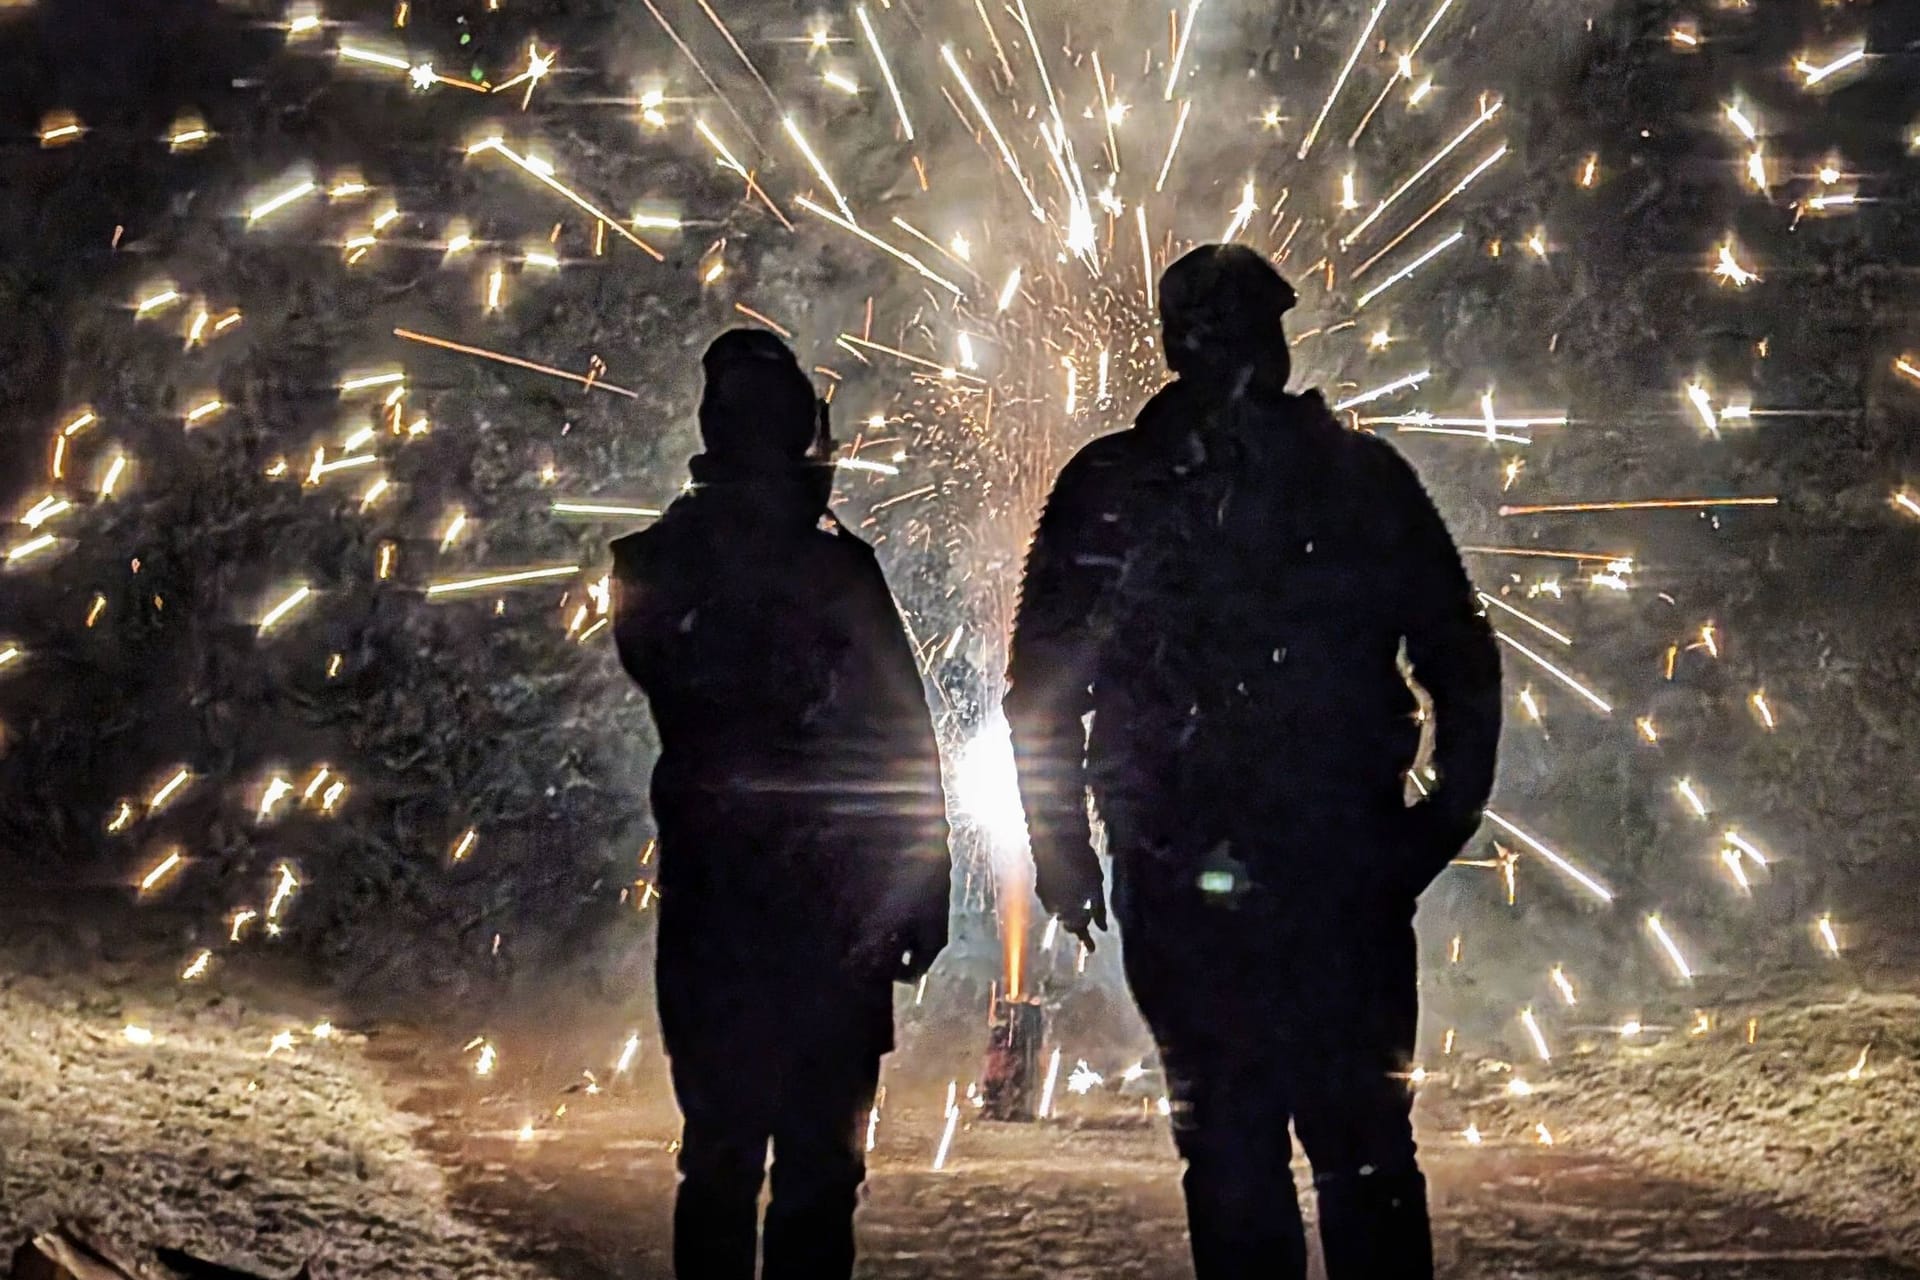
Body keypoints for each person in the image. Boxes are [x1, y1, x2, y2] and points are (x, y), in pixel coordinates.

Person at [1005, 245, 1502, 1280]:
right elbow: (1458, 650)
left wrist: (1065, 848)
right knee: (1336, 1152)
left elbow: (1043, 695)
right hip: (1305, 868)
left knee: (1271, 1155)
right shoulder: (1343, 477)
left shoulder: (1125, 486)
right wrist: (1439, 814)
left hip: (1253, 868)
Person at [611, 329, 952, 1280]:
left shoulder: (665, 561)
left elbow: (897, 741)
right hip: (820, 916)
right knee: (806, 1169)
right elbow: (903, 742)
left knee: (737, 1164)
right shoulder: (823, 570)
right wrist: (925, 888)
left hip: (733, 912)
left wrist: (925, 888)